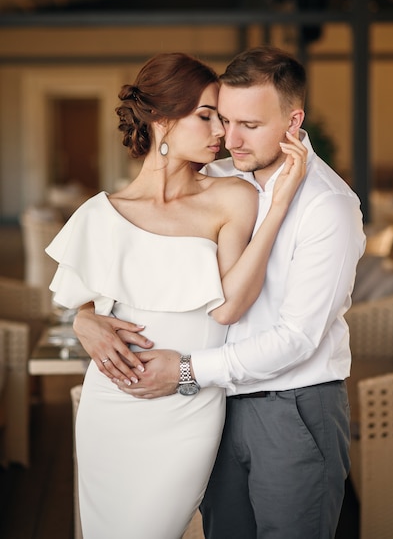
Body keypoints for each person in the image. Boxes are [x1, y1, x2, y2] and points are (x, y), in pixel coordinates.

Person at [73, 46, 365, 539]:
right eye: (224, 120)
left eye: (249, 124)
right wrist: (85, 315)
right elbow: (135, 239)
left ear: (293, 122)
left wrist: (185, 371)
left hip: (290, 407)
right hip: (218, 406)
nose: (229, 138)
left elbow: (297, 338)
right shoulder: (224, 177)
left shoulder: (328, 206)